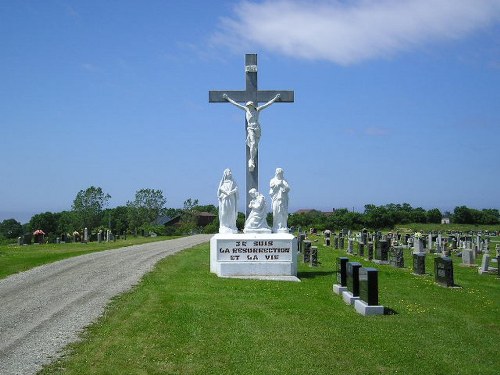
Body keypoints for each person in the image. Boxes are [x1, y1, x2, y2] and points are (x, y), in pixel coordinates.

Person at [223, 93, 280, 171]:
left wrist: (275, 99)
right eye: (248, 106)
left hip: (257, 128)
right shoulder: (246, 110)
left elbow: (268, 104)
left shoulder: (258, 110)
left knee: (255, 145)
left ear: (252, 106)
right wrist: (227, 98)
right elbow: (236, 104)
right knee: (252, 143)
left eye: (250, 106)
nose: (249, 107)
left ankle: (252, 158)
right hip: (250, 128)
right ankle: (251, 159)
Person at [269, 168, 290, 233]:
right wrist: (277, 185)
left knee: (283, 212)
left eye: (281, 173)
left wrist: (282, 185)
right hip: (276, 199)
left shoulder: (284, 180)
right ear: (276, 173)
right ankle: (276, 226)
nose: (279, 175)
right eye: (278, 173)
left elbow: (288, 188)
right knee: (276, 212)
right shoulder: (272, 180)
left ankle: (283, 226)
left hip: (283, 199)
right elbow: (271, 190)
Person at [217, 169, 239, 233]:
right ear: (225, 173)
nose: (230, 172)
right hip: (225, 198)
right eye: (229, 171)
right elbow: (220, 189)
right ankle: (224, 225)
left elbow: (236, 188)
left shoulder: (233, 181)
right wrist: (226, 192)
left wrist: (231, 192)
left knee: (231, 211)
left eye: (230, 171)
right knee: (224, 211)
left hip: (231, 198)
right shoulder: (223, 182)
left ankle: (231, 225)